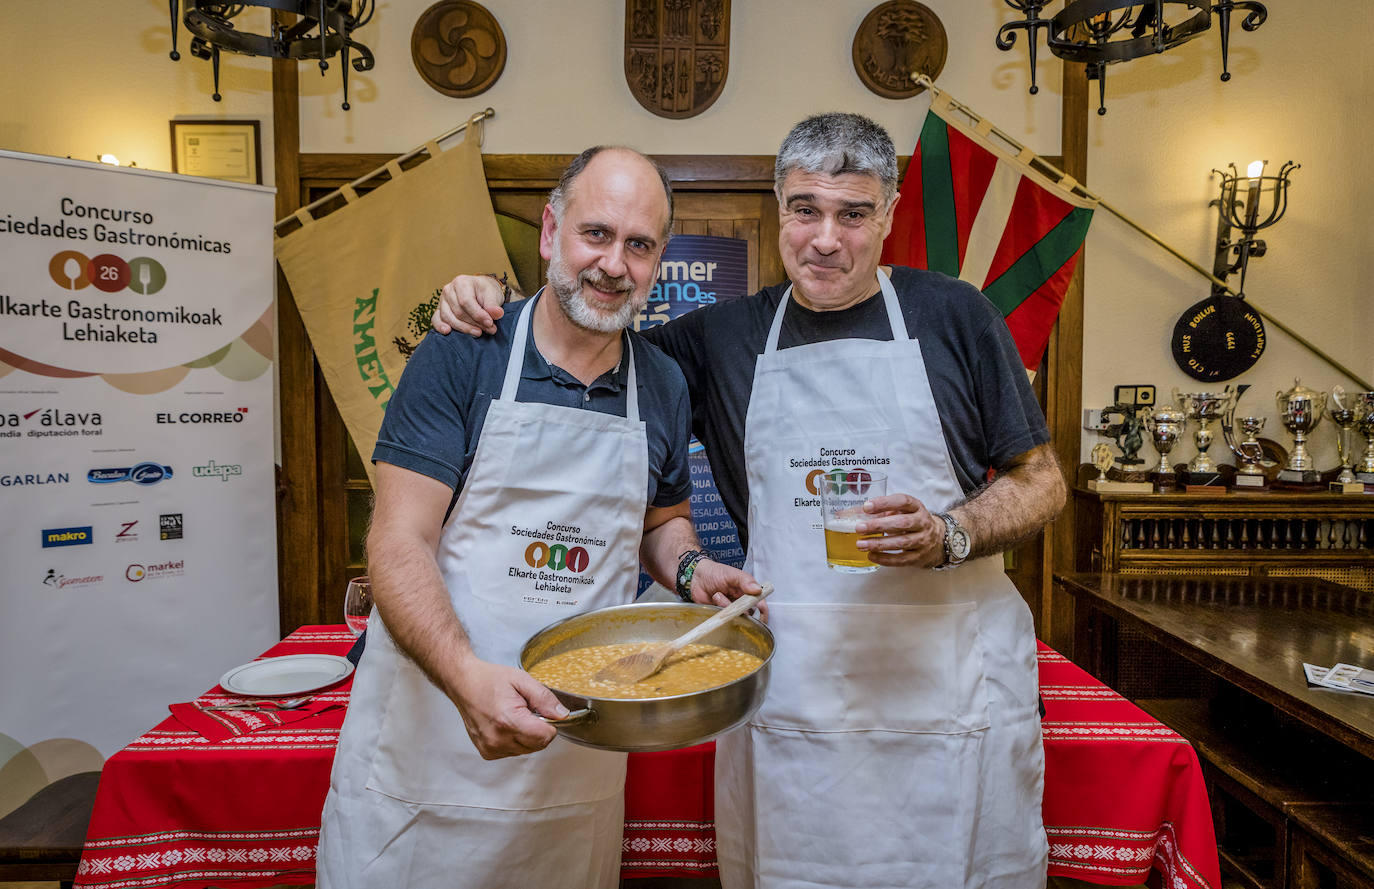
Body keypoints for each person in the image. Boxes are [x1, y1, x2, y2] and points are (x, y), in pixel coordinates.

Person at [434, 113, 1068, 889]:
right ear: (779, 208)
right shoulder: (722, 337)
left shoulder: (954, 314)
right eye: (805, 209)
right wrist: (487, 302)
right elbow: (584, 332)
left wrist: (952, 531)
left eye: (853, 213)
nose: (825, 238)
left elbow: (1043, 481)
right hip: (802, 708)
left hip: (953, 695)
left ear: (890, 214)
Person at [316, 146, 762, 889]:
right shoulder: (465, 350)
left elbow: (661, 521)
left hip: (572, 770)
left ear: (657, 261)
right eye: (596, 234)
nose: (614, 264)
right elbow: (397, 539)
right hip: (431, 755)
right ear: (551, 231)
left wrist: (689, 567)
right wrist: (466, 677)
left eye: (640, 245)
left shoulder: (661, 382)